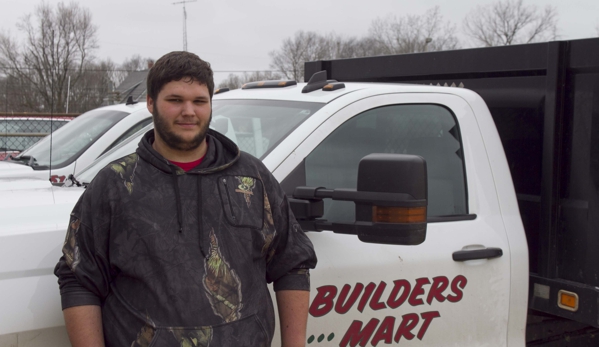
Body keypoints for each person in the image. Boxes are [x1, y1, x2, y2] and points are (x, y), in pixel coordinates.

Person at [54, 51, 317, 347]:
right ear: (151, 103)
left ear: (210, 104)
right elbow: (78, 277)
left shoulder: (252, 179)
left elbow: (292, 263)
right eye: (175, 100)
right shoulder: (115, 184)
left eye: (199, 101)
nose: (188, 111)